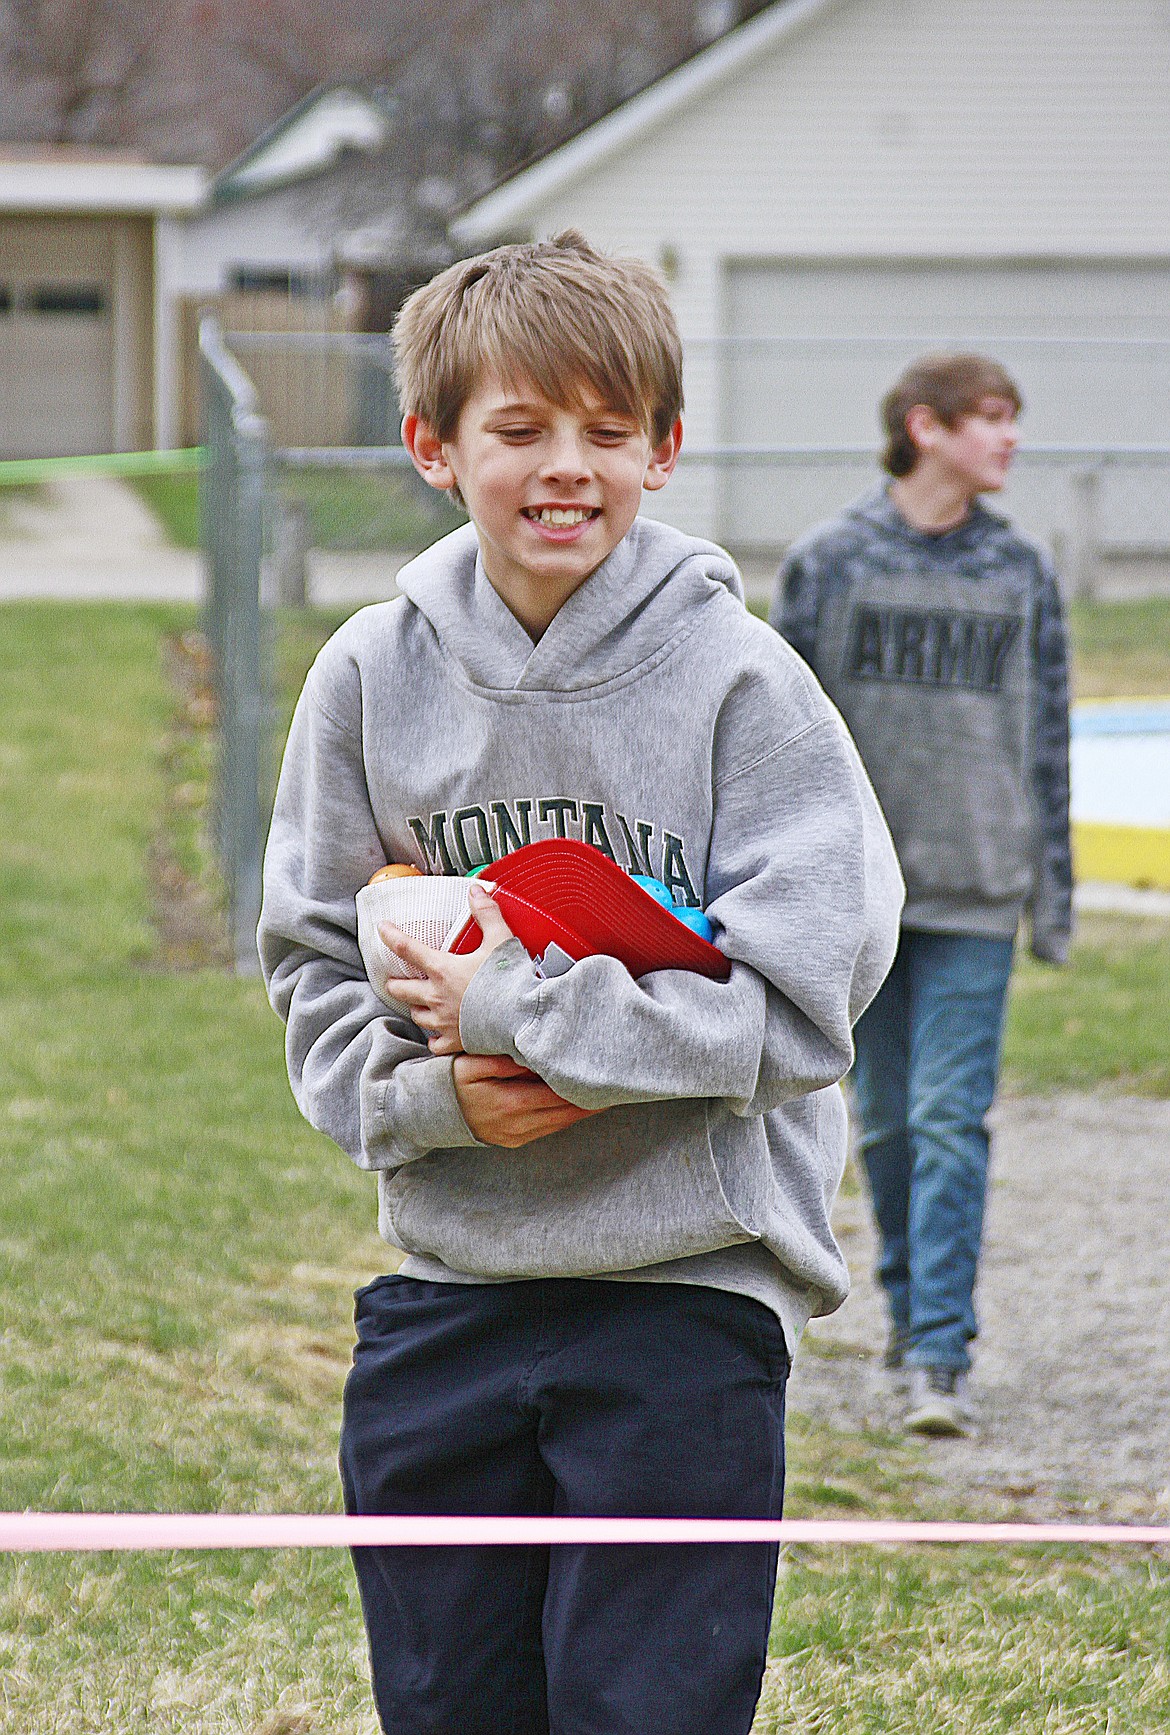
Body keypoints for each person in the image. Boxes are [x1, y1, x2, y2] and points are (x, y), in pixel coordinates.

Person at [258, 231, 903, 1735]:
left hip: (685, 1298)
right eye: (520, 427)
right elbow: (306, 954)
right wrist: (440, 1099)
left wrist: (514, 1016)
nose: (567, 467)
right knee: (448, 1706)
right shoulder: (369, 675)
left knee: (645, 1710)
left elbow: (800, 1009)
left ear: (663, 449)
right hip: (447, 1293)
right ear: (433, 446)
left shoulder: (746, 685)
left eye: (608, 431)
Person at [771, 352, 1072, 1439]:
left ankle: (941, 1352)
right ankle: (907, 1317)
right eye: (991, 417)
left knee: (951, 1121)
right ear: (924, 427)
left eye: (1012, 417)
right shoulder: (829, 562)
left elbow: (1046, 736)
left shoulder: (1023, 571)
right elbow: (775, 750)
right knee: (890, 1126)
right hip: (861, 905)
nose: (1010, 438)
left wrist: (1056, 896)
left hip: (979, 892)